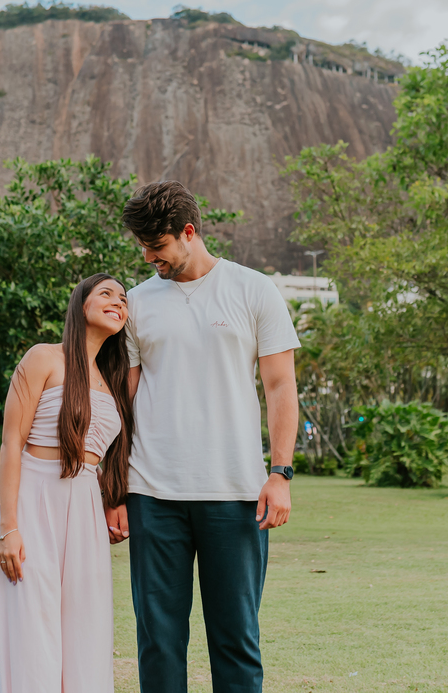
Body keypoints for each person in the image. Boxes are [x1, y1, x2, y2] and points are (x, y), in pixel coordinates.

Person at [107, 180, 301, 693]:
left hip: (235, 493)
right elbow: (123, 403)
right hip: (152, 494)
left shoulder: (253, 290)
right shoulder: (138, 303)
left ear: (188, 232)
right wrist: (116, 489)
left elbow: (281, 386)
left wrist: (279, 474)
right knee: (158, 642)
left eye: (157, 246)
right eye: (143, 248)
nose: (149, 257)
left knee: (236, 640)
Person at [0, 273, 135, 693]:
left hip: (86, 509)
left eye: (123, 299)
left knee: (86, 636)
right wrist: (9, 528)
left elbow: (110, 458)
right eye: (106, 293)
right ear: (81, 305)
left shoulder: (113, 382)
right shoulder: (43, 358)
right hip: (33, 505)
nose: (117, 302)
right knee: (35, 640)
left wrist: (114, 501)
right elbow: (11, 443)